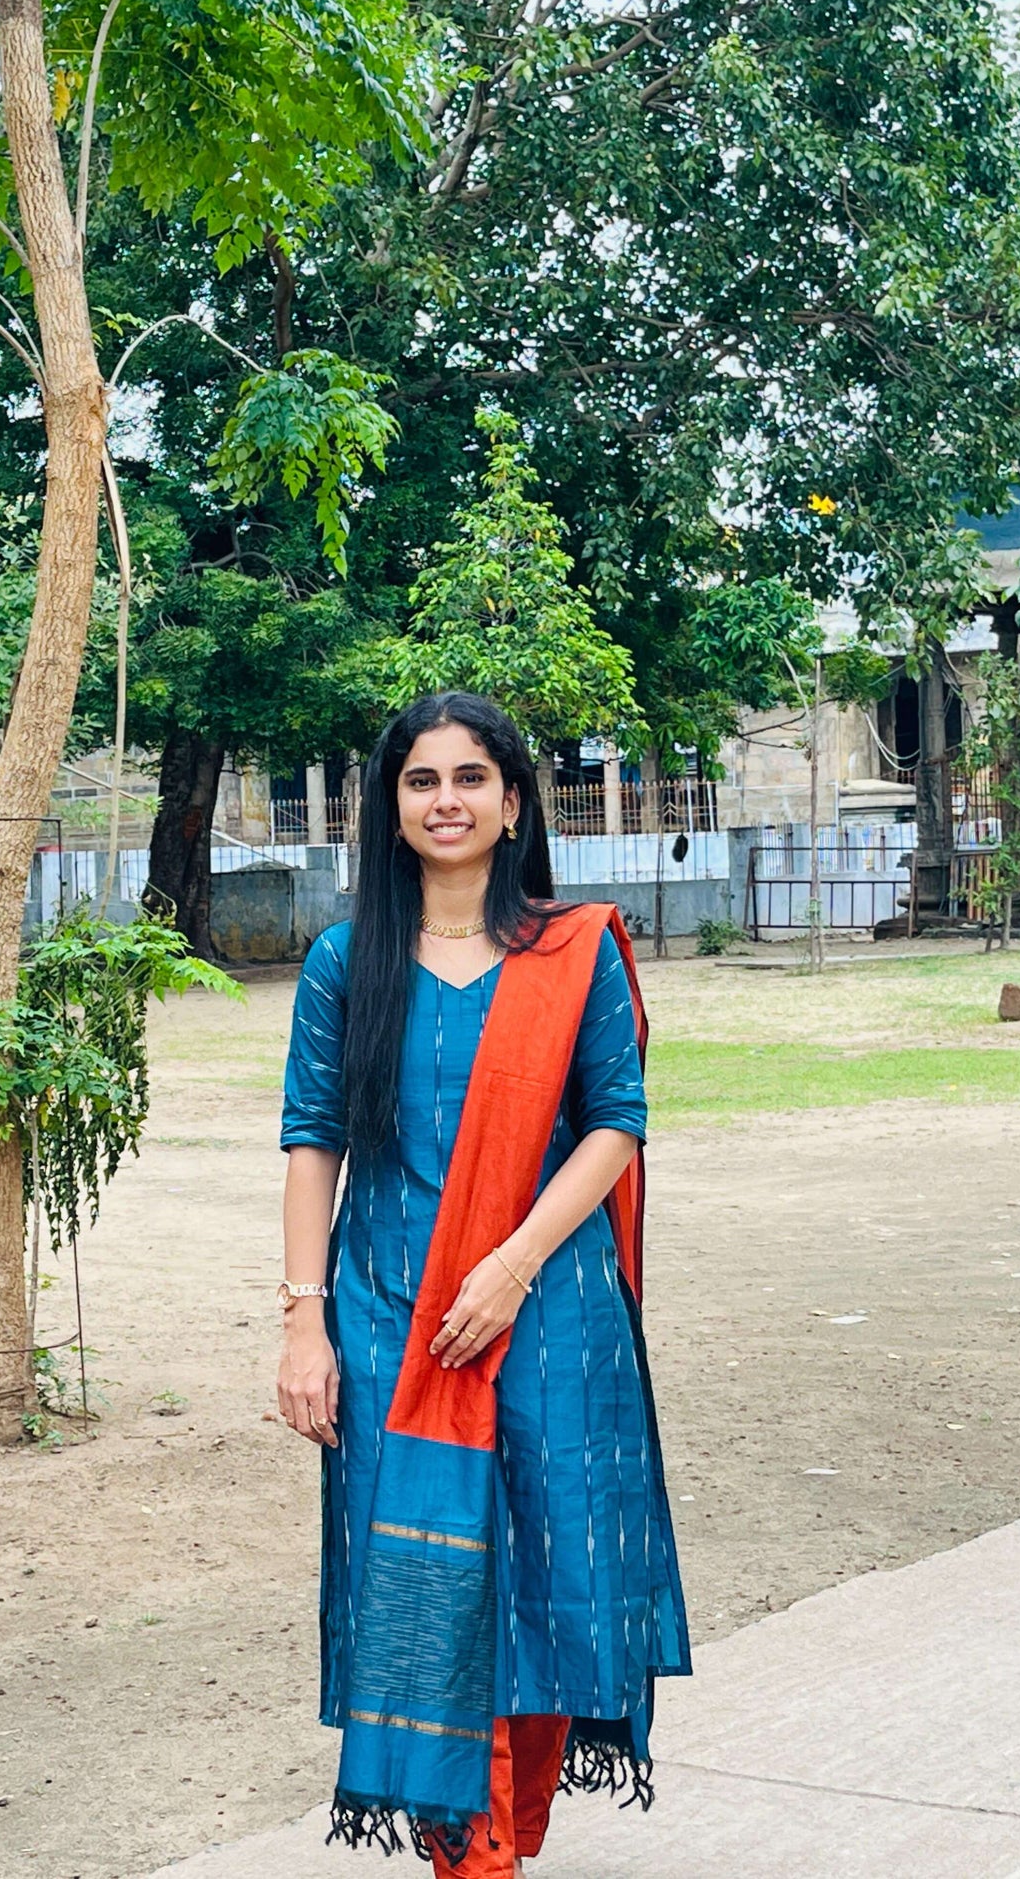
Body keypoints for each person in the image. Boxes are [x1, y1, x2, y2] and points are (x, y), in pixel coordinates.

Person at [277, 692, 690, 1875]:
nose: (445, 800)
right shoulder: (344, 961)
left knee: (552, 1585)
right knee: (428, 1588)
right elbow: (313, 1141)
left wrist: (510, 1264)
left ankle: (511, 1839)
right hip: (391, 1318)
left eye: (469, 778)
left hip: (553, 1315)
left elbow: (615, 1122)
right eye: (420, 781)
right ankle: (477, 1856)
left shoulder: (573, 952)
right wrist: (303, 1324)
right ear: (389, 808)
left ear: (513, 803)